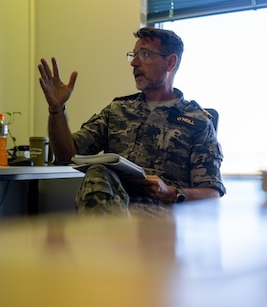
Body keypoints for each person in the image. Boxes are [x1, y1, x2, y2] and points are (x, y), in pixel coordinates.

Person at [38, 27, 225, 216]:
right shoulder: (119, 110)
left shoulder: (197, 121)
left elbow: (212, 193)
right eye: (133, 55)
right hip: (112, 211)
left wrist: (170, 193)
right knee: (98, 172)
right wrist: (57, 110)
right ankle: (104, 240)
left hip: (163, 224)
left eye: (144, 54)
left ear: (170, 62)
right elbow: (66, 155)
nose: (134, 63)